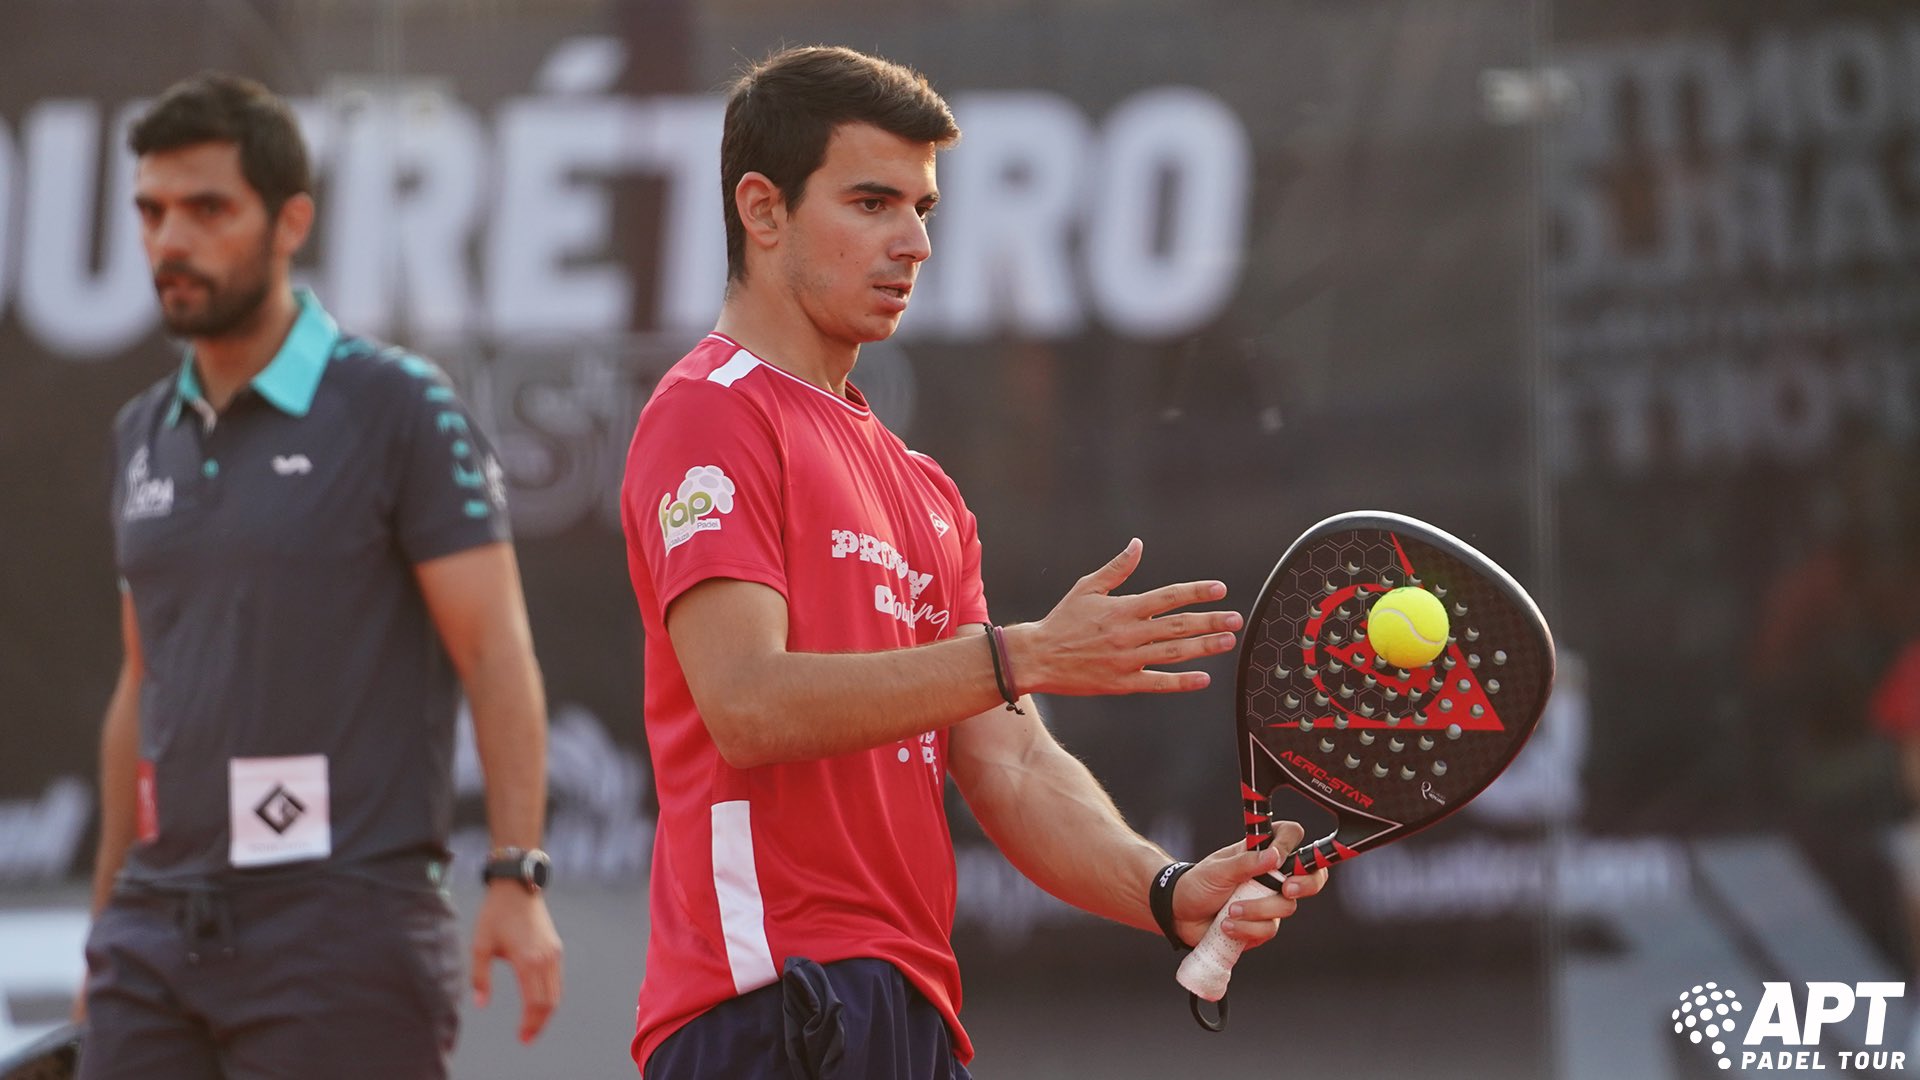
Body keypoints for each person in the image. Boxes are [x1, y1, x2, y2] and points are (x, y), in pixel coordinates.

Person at [619, 45, 1329, 1078]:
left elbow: (1015, 763)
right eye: (870, 203)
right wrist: (1019, 656)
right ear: (762, 211)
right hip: (770, 1000)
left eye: (922, 209)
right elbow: (747, 705)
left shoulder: (927, 492)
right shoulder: (708, 412)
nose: (912, 242)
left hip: (911, 1010)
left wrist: (1165, 890)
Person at [78, 72, 562, 1079]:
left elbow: (495, 649)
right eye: (152, 212)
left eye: (207, 209)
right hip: (153, 938)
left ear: (290, 220)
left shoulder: (397, 407)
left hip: (342, 924)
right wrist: (106, 919)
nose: (171, 241)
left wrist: (517, 873)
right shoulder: (139, 432)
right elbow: (142, 682)